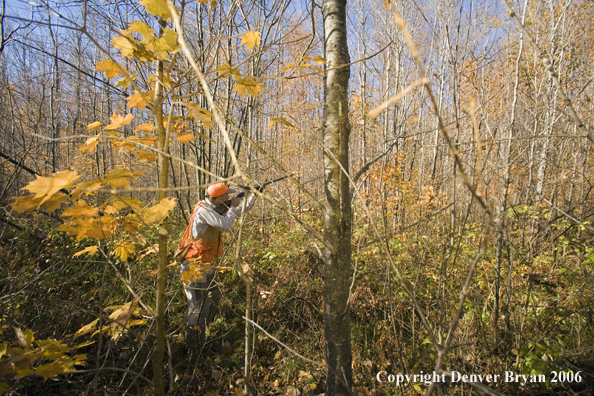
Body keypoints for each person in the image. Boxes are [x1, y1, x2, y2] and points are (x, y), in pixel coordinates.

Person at [178, 182, 255, 348]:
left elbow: (240, 212)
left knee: (214, 294)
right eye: (227, 195)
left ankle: (205, 329)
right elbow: (226, 225)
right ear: (219, 198)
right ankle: (194, 347)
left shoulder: (214, 208)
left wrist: (253, 195)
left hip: (205, 264)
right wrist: (233, 207)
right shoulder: (203, 211)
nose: (229, 197)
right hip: (193, 266)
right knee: (198, 308)